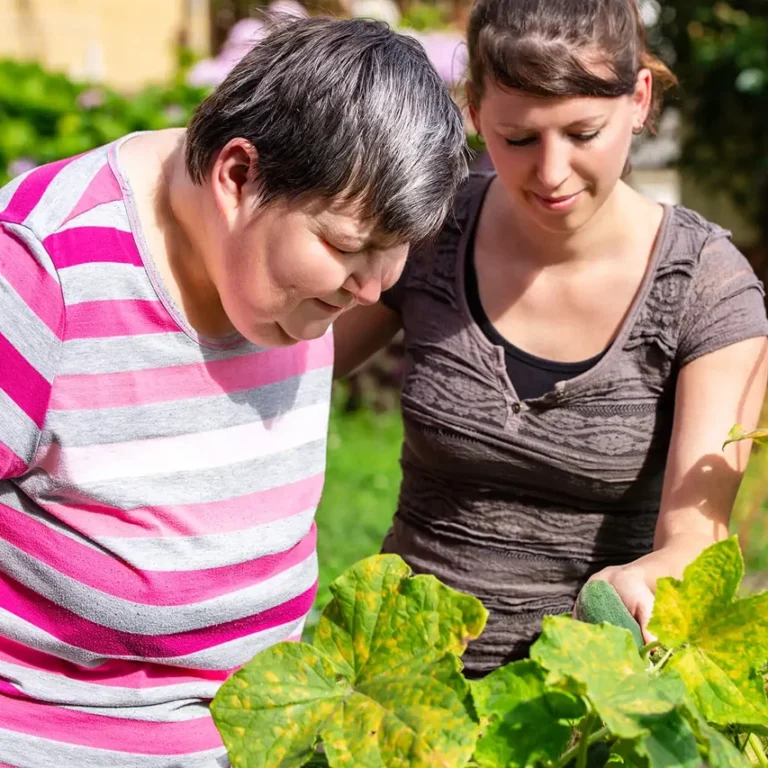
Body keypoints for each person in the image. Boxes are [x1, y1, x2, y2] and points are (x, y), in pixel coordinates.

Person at [0, 16, 467, 766]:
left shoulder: (284, 283)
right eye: (347, 247)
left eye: (393, 251)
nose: (372, 287)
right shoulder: (39, 272)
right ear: (238, 176)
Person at [334, 0, 768, 676]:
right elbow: (286, 363)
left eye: (583, 132)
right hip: (399, 682)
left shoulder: (707, 288)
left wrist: (652, 576)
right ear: (474, 111)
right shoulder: (432, 233)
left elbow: (695, 536)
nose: (552, 172)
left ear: (639, 99)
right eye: (519, 138)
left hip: (581, 705)